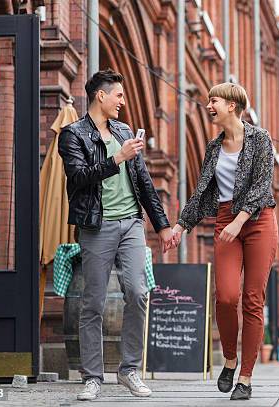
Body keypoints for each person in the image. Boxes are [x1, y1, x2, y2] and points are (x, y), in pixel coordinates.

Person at [58, 69, 176, 401]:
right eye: (119, 96)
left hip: (131, 224)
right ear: (101, 96)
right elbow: (78, 178)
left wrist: (162, 225)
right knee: (93, 301)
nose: (123, 102)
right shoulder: (72, 135)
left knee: (138, 293)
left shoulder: (123, 131)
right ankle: (92, 376)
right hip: (97, 225)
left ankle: (129, 371)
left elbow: (144, 182)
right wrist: (116, 158)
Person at [171, 82, 278, 401]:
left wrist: (241, 219)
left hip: (258, 221)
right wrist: (181, 224)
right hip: (224, 219)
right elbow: (203, 189)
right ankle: (230, 360)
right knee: (226, 296)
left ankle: (245, 377)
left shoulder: (260, 138)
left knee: (252, 299)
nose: (208, 106)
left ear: (232, 105)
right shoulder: (214, 146)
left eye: (213, 101)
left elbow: (262, 184)